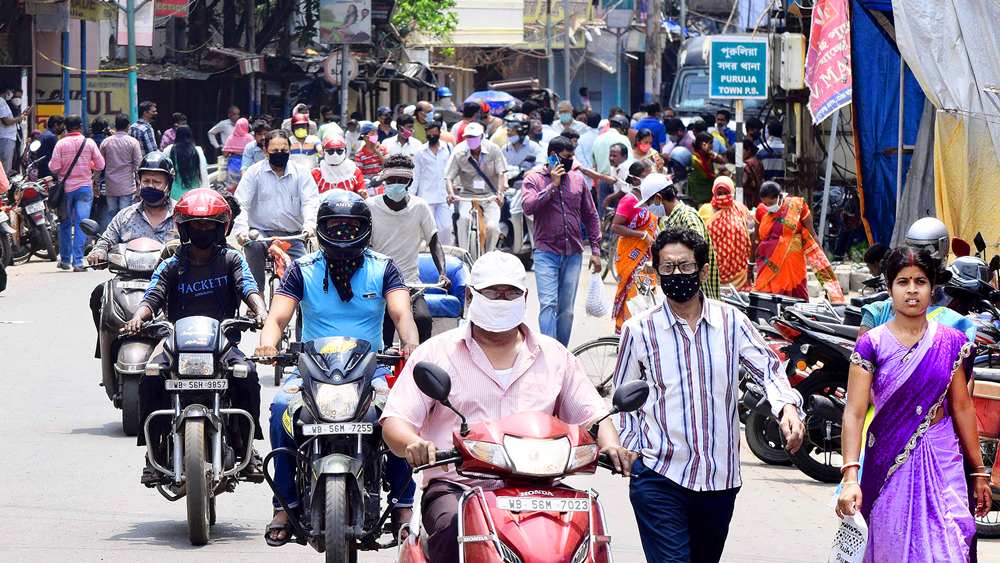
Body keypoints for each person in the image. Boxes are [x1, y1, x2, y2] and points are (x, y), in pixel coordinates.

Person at [380, 250, 636, 563]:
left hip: (543, 489)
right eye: (492, 292)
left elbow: (594, 415)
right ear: (471, 297)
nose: (502, 299)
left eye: (511, 292)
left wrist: (612, 446)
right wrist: (414, 444)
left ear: (525, 297)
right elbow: (396, 420)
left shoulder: (555, 356)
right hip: (459, 488)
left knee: (589, 534)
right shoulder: (436, 353)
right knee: (452, 530)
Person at [613, 225, 805, 563]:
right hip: (659, 475)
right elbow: (625, 398)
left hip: (720, 480)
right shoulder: (638, 330)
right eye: (668, 267)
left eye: (685, 266)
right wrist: (628, 447)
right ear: (656, 272)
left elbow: (769, 369)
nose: (676, 274)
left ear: (702, 271)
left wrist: (787, 408)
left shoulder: (732, 322)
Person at [256, 190, 420, 545]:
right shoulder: (302, 269)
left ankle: (403, 505)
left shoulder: (384, 267)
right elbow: (278, 315)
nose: (344, 233)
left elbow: (401, 312)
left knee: (397, 414)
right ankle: (284, 503)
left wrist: (410, 343)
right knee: (281, 410)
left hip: (371, 370)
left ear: (365, 228)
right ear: (321, 229)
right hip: (310, 370)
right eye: (336, 226)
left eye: (351, 227)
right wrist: (268, 342)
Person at [837, 247, 990, 563]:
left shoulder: (950, 342)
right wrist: (850, 478)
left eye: (920, 282)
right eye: (902, 282)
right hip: (888, 462)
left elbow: (961, 408)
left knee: (950, 545)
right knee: (893, 549)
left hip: (942, 455)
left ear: (932, 288)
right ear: (889, 287)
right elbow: (853, 413)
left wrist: (978, 471)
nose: (911, 290)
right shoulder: (872, 343)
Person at [123, 187, 267, 484]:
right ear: (184, 227)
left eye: (209, 225)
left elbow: (249, 288)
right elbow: (152, 296)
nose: (203, 230)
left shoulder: (231, 259)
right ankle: (154, 451)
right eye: (196, 225)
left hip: (222, 344)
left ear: (220, 228)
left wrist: (260, 310)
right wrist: (138, 317)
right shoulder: (171, 264)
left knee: (247, 375)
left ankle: (246, 446)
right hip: (177, 343)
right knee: (150, 377)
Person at [87, 152, 180, 336]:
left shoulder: (180, 215)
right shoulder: (125, 216)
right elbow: (106, 240)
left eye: (156, 182)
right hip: (128, 282)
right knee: (100, 295)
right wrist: (98, 252)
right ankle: (107, 346)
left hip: (170, 282)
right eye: (146, 181)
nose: (150, 185)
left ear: (168, 184)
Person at [521, 136, 601, 346]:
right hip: (546, 252)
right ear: (553, 156)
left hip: (573, 253)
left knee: (566, 311)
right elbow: (528, 207)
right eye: (565, 158)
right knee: (548, 304)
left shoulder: (578, 180)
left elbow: (591, 215)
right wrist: (553, 186)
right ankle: (548, 351)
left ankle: (561, 353)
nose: (569, 162)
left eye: (571, 157)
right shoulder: (534, 180)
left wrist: (596, 250)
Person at [367, 155, 450, 345]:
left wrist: (443, 273)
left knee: (422, 320)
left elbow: (434, 241)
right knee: (383, 326)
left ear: (410, 183)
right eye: (391, 181)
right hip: (377, 282)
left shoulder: (419, 206)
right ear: (384, 181)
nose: (396, 185)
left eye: (401, 181)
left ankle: (419, 366)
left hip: (410, 283)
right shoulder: (370, 207)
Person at [233, 130, 320, 288]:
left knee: (307, 275)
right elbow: (240, 204)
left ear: (289, 150)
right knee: (253, 246)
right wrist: (242, 231)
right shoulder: (254, 173)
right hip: (260, 234)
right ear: (265, 152)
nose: (279, 154)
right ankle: (256, 297)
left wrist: (309, 226)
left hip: (293, 236)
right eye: (275, 151)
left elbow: (310, 202)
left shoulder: (302, 174)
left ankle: (303, 308)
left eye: (284, 151)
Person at [754, 181, 844, 301]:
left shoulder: (796, 206)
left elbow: (812, 235)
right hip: (768, 265)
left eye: (771, 203)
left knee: (797, 297)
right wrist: (750, 267)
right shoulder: (761, 210)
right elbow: (755, 239)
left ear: (780, 196)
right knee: (768, 299)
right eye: (765, 203)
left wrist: (824, 264)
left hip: (794, 263)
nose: (768, 206)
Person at [646, 174, 721, 300]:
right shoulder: (673, 219)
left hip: (697, 296)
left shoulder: (687, 216)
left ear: (658, 198)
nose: (649, 209)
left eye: (649, 203)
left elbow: (698, 252)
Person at [50, 114, 105, 271]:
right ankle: (78, 262)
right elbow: (100, 164)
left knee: (65, 224)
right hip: (84, 189)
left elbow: (54, 167)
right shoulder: (89, 143)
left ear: (66, 127)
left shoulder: (60, 144)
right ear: (80, 126)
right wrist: (89, 164)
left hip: (66, 190)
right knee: (83, 224)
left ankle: (65, 260)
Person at [444, 122, 508, 253]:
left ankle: (489, 254)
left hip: (490, 195)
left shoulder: (493, 149)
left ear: (482, 136)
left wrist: (500, 194)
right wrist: (451, 194)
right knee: (463, 221)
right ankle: (463, 254)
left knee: (492, 227)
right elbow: (449, 177)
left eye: (474, 137)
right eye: (468, 137)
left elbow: (501, 173)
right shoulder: (459, 152)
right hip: (467, 195)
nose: (471, 140)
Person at [610, 170, 658, 333]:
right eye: (645, 175)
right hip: (630, 254)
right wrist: (642, 234)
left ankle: (644, 332)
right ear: (636, 179)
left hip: (647, 254)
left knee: (647, 293)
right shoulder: (629, 200)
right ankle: (626, 332)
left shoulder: (649, 201)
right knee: (631, 291)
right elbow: (616, 227)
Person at [701, 177, 752, 291]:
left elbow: (749, 230)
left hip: (739, 272)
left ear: (732, 193)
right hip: (714, 270)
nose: (723, 196)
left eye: (726, 193)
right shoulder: (705, 210)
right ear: (714, 192)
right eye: (719, 193)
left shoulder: (740, 209)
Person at [413, 120, 454, 245]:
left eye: (434, 134)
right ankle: (430, 254)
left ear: (439, 133)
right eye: (429, 135)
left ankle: (447, 252)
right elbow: (416, 175)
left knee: (446, 227)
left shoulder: (448, 148)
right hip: (426, 195)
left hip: (444, 195)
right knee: (428, 229)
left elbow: (453, 169)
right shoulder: (420, 151)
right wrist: (411, 195)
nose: (432, 137)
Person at [99, 114, 143, 222]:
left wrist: (95, 183)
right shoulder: (133, 142)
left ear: (115, 125)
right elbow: (138, 165)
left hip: (111, 185)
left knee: (112, 214)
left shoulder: (106, 142)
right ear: (128, 126)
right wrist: (139, 185)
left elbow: (99, 165)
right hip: (127, 185)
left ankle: (112, 238)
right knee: (125, 215)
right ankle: (124, 239)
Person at [592, 115, 633, 208]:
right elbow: (628, 160)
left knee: (604, 216)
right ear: (622, 128)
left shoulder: (598, 139)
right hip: (621, 181)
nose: (611, 158)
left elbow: (594, 166)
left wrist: (597, 189)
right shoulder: (624, 139)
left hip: (604, 181)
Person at [162, 125, 209, 200]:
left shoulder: (169, 150)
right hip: (194, 193)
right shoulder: (197, 151)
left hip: (174, 194)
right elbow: (203, 168)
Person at [500, 113, 544, 185]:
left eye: (512, 130)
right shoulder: (505, 149)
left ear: (522, 131)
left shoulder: (533, 146)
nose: (509, 133)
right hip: (508, 187)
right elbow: (500, 168)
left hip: (528, 185)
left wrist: (532, 170)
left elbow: (541, 165)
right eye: (508, 130)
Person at [688, 132, 728, 207]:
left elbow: (723, 161)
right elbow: (706, 175)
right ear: (703, 145)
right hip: (699, 193)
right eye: (711, 143)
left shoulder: (708, 155)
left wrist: (711, 152)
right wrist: (718, 177)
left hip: (709, 191)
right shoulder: (695, 159)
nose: (712, 146)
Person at [0, 83, 31, 173]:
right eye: (12, 93)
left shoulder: (3, 102)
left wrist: (21, 115)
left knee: (8, 165)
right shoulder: (1, 102)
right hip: (5, 137)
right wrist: (21, 117)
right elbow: (7, 122)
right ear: (7, 91)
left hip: (9, 138)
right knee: (5, 167)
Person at [222, 118, 255, 190]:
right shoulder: (250, 138)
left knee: (232, 185)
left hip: (233, 164)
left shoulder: (231, 137)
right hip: (247, 163)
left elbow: (225, 154)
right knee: (246, 185)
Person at [36, 115, 64, 181]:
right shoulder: (52, 137)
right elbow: (59, 153)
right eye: (62, 126)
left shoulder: (43, 134)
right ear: (56, 125)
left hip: (42, 170)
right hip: (49, 172)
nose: (63, 129)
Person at [742, 141, 765, 209]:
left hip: (748, 197)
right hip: (757, 196)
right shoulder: (758, 162)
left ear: (748, 150)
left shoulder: (747, 164)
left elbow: (744, 182)